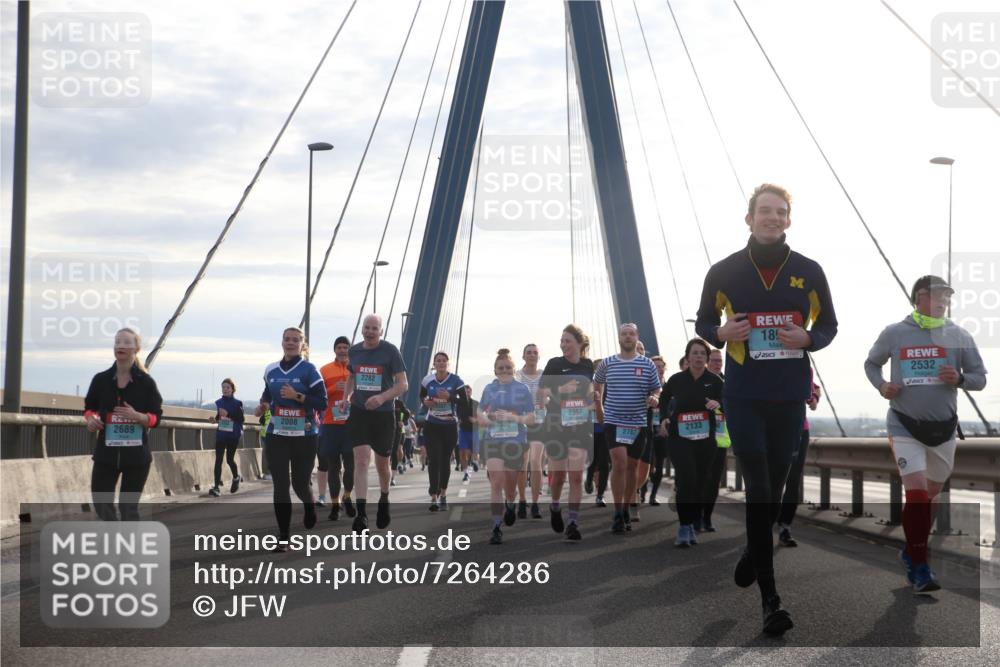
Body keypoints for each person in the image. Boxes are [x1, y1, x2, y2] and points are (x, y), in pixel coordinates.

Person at [696, 183, 838, 635]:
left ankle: (752, 552)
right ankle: (770, 601)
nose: (773, 218)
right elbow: (703, 320)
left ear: (788, 220)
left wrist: (811, 338)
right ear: (749, 217)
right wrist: (720, 334)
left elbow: (830, 324)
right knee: (759, 487)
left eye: (781, 212)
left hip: (789, 395)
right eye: (765, 211)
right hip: (743, 396)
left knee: (775, 490)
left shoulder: (810, 272)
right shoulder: (724, 272)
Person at [864, 275, 987, 593]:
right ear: (919, 297)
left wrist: (959, 379)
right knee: (916, 494)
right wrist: (882, 386)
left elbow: (979, 378)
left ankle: (911, 549)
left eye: (948, 296)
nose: (944, 301)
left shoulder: (958, 335)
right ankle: (920, 566)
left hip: (944, 429)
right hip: (904, 424)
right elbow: (871, 363)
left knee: (930, 498)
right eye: (938, 295)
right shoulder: (895, 333)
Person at [255, 327, 328, 551]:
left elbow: (322, 402)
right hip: (277, 434)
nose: (290, 343)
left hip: (304, 435)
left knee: (299, 483)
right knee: (281, 485)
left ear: (302, 345)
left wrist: (297, 396)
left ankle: (309, 504)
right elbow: (268, 392)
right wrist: (264, 404)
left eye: (295, 340)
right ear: (282, 342)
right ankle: (284, 537)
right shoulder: (271, 369)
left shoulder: (309, 371)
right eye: (286, 339)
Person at [84, 328, 164, 521]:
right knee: (102, 505)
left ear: (136, 349)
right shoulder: (101, 380)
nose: (120, 345)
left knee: (128, 509)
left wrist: (138, 416)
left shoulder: (146, 383)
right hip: (106, 454)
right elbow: (89, 408)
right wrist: (91, 419)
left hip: (136, 457)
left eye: (127, 343)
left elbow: (156, 418)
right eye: (117, 341)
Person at [339, 314, 408, 533]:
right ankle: (361, 515)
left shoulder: (390, 351)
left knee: (382, 465)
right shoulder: (355, 351)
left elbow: (403, 385)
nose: (370, 331)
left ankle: (384, 498)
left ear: (381, 330)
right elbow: (352, 377)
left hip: (384, 414)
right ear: (362, 329)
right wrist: (345, 397)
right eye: (366, 327)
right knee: (360, 460)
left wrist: (382, 397)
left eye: (374, 328)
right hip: (359, 413)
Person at [593, 323, 661, 534]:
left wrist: (654, 397)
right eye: (624, 334)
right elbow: (597, 384)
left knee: (631, 467)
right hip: (614, 421)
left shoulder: (647, 364)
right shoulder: (608, 363)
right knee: (619, 463)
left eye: (631, 334)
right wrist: (599, 407)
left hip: (638, 423)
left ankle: (627, 504)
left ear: (637, 337)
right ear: (619, 338)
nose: (628, 337)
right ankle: (618, 510)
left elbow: (656, 388)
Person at [658, 339, 724, 547]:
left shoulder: (715, 382)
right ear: (687, 357)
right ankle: (684, 526)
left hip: (705, 440)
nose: (698, 357)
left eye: (702, 354)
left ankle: (693, 523)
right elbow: (664, 399)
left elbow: (728, 404)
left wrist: (719, 405)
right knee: (687, 478)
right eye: (694, 353)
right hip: (680, 438)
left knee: (700, 483)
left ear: (706, 358)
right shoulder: (677, 380)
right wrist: (664, 418)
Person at [538, 325, 595, 541]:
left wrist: (592, 401)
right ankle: (554, 506)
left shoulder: (588, 365)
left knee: (576, 477)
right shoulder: (554, 364)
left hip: (579, 424)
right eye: (561, 341)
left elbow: (591, 391)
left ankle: (573, 522)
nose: (563, 345)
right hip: (556, 425)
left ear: (580, 344)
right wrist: (559, 391)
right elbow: (540, 394)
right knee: (559, 476)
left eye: (568, 341)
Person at [479, 348, 537, 544]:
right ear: (495, 371)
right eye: (500, 368)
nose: (504, 370)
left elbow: (531, 417)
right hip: (493, 440)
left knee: (510, 488)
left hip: (516, 441)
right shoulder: (489, 389)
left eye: (508, 367)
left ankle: (510, 503)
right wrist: (488, 417)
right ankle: (496, 526)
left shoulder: (522, 389)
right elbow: (480, 414)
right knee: (496, 482)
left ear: (514, 370)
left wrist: (514, 417)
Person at [420, 351, 467, 511]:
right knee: (433, 460)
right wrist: (425, 402)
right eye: (438, 361)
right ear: (434, 363)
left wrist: (450, 397)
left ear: (448, 363)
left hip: (449, 426)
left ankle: (444, 495)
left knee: (445, 461)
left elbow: (465, 404)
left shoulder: (456, 380)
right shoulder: (428, 380)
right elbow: (422, 396)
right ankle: (433, 496)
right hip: (432, 425)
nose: (440, 363)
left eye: (443, 361)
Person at [776, 378, 820, 546]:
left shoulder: (801, 362)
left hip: (799, 429)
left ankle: (785, 526)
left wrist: (814, 398)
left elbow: (814, 387)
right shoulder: (765, 359)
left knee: (793, 480)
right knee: (774, 480)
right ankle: (766, 521)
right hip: (772, 429)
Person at [319, 336, 356, 520]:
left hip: (351, 425)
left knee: (351, 467)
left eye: (345, 347)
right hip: (331, 424)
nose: (342, 350)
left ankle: (347, 496)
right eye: (339, 347)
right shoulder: (324, 370)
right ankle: (335, 505)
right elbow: (318, 397)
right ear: (334, 350)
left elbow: (366, 392)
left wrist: (351, 389)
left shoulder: (357, 369)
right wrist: (335, 388)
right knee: (333, 468)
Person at [516, 343, 546, 519]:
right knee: (522, 464)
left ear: (538, 356)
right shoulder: (517, 376)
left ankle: (535, 503)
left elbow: (551, 396)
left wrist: (545, 401)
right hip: (521, 423)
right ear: (523, 356)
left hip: (539, 422)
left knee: (535, 461)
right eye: (529, 352)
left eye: (535, 352)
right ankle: (521, 501)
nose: (532, 355)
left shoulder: (544, 375)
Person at [700, 348, 729, 531]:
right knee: (700, 479)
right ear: (707, 362)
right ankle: (695, 515)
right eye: (714, 360)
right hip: (699, 439)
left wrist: (721, 404)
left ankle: (707, 517)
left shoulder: (729, 383)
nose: (717, 363)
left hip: (720, 441)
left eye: (720, 361)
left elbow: (736, 407)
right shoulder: (699, 381)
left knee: (713, 482)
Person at [207, 378, 245, 496]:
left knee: (229, 459)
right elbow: (220, 416)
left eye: (227, 387)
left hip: (233, 435)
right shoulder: (219, 402)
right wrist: (215, 420)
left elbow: (241, 419)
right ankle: (216, 487)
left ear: (232, 389)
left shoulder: (237, 403)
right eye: (223, 387)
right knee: (218, 460)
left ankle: (236, 477)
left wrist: (228, 414)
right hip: (222, 434)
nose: (225, 389)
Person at [642, 355, 669, 506]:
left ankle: (653, 495)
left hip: (662, 431)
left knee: (659, 465)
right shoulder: (645, 386)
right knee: (647, 464)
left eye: (661, 366)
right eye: (655, 366)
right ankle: (642, 493)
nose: (659, 369)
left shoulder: (670, 386)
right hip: (647, 430)